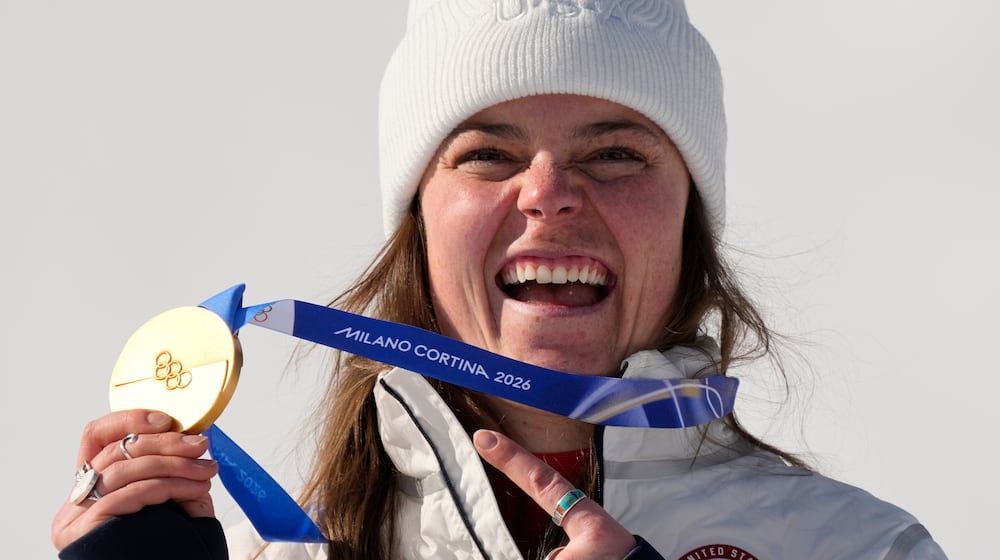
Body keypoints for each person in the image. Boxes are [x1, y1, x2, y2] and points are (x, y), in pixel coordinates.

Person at [52, 1, 948, 559]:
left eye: (615, 153)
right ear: (418, 224)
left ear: (691, 221)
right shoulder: (283, 553)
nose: (550, 196)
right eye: (487, 155)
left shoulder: (863, 549)